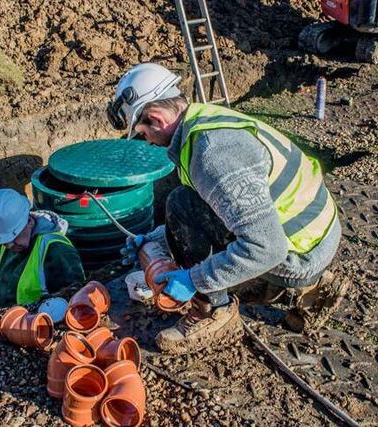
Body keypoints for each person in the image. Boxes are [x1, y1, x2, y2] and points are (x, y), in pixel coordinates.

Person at [108, 63, 348, 354]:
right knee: (184, 203)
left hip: (298, 250)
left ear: (157, 119)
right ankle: (311, 287)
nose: (145, 141)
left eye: (142, 133)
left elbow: (266, 248)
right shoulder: (204, 120)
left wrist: (194, 280)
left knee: (181, 207)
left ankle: (214, 311)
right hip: (313, 229)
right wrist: (158, 239)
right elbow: (214, 205)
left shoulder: (214, 154)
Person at [0, 188, 85, 319]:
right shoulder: (12, 240)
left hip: (34, 324)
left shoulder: (57, 251)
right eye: (4, 241)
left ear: (29, 222)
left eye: (13, 237)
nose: (9, 245)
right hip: (10, 317)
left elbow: (75, 300)